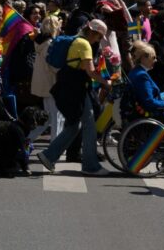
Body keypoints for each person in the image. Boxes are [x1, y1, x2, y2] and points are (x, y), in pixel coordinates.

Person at [36, 19, 112, 176]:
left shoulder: (77, 41)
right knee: (89, 125)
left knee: (74, 125)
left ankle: (49, 156)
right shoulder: (84, 45)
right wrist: (107, 83)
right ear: (92, 32)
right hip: (77, 89)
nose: (99, 41)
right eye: (99, 37)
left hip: (69, 88)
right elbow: (90, 72)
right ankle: (91, 166)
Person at [29, 16, 64, 140]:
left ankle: (27, 139)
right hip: (51, 84)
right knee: (56, 117)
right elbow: (53, 65)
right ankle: (55, 147)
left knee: (49, 117)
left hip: (44, 84)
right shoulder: (49, 44)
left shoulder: (40, 42)